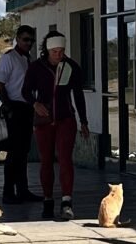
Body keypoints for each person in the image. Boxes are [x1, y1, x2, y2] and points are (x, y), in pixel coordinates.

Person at [25, 28, 90, 220]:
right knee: (46, 160)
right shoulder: (36, 67)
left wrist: (84, 121)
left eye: (61, 51)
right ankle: (47, 200)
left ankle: (66, 201)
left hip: (65, 118)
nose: (58, 55)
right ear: (47, 50)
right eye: (55, 52)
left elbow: (78, 95)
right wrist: (35, 104)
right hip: (44, 121)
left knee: (65, 159)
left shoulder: (71, 67)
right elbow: (25, 91)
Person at [0, 23, 37, 203]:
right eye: (25, 39)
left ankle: (22, 190)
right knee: (14, 152)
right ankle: (8, 192)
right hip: (15, 107)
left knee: (23, 152)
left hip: (27, 107)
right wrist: (8, 106)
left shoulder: (27, 58)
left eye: (31, 40)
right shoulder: (9, 58)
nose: (29, 43)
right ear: (17, 39)